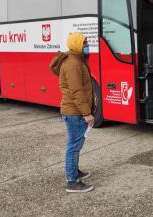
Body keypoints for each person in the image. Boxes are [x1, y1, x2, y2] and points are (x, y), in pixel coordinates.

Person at [59, 32, 95, 193]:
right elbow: (77, 91)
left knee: (76, 145)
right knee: (73, 146)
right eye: (85, 43)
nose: (87, 45)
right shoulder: (73, 64)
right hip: (74, 112)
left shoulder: (77, 60)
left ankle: (74, 171)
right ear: (77, 45)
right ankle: (72, 181)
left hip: (74, 111)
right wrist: (87, 113)